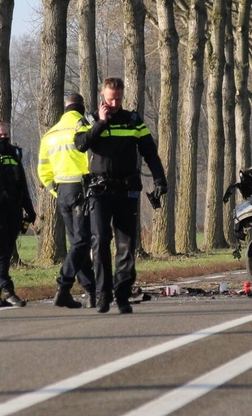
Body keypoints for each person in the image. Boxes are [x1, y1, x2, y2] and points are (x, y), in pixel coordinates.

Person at [74, 77, 166, 314]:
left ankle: (123, 295)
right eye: (110, 99)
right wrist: (100, 123)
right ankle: (103, 294)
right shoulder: (90, 120)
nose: (114, 103)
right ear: (102, 95)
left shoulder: (133, 120)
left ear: (123, 96)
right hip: (100, 190)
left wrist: (159, 180)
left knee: (126, 244)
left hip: (127, 190)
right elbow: (80, 144)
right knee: (100, 239)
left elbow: (150, 153)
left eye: (118, 99)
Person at [38, 93, 96, 309]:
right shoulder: (84, 127)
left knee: (78, 244)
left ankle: (91, 291)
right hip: (82, 189)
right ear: (81, 108)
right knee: (81, 242)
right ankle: (63, 287)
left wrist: (56, 191)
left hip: (62, 192)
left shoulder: (50, 134)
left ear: (65, 108)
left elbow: (43, 171)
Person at [0, 119, 36, 308]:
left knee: (6, 252)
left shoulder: (14, 153)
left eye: (5, 135)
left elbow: (22, 182)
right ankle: (7, 290)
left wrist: (29, 209)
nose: (3, 138)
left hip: (13, 209)